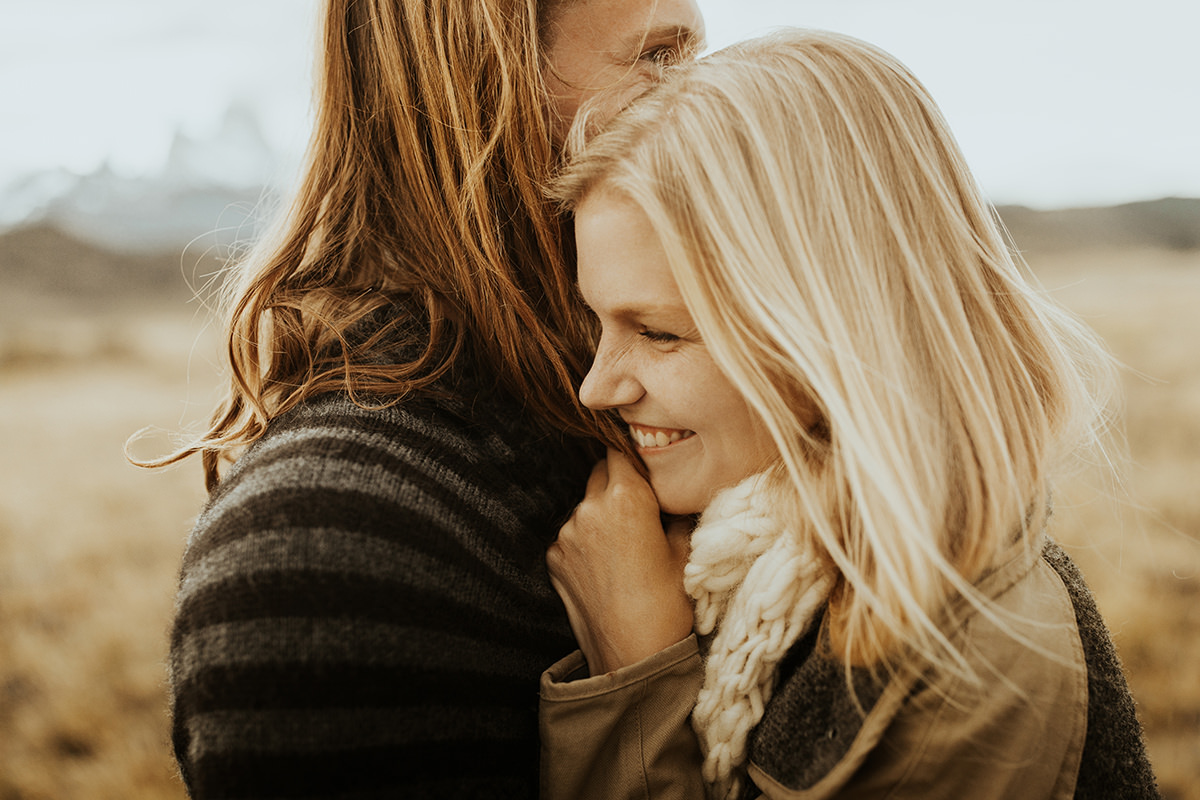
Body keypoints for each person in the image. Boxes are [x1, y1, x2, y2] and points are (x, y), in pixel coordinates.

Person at [539, 30, 1160, 800]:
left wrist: (636, 678)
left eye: (658, 333)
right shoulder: (731, 562)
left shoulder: (972, 656)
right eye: (596, 324)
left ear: (833, 330)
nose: (597, 389)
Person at [142, 0, 704, 797]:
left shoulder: (702, 430)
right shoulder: (322, 547)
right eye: (658, 59)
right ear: (484, 90)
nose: (706, 103)